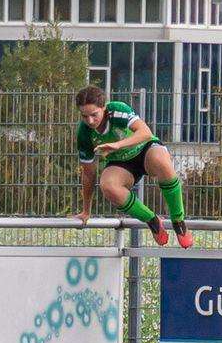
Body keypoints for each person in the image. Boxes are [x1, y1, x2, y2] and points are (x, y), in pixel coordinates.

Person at [71, 85, 193, 248]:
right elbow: (88, 173)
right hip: (121, 163)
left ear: (104, 107)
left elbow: (145, 132)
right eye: (84, 116)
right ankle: (151, 220)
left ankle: (178, 221)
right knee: (108, 186)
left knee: (162, 162)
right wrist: (86, 210)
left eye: (94, 115)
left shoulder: (117, 110)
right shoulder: (84, 133)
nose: (90, 121)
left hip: (145, 149)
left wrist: (118, 145)